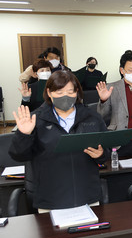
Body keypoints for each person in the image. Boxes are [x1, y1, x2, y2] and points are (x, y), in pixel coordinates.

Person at [9, 71, 107, 210]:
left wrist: (101, 154)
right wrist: (24, 134)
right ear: (49, 92)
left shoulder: (92, 117)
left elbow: (106, 152)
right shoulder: (35, 119)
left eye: (70, 92)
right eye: (59, 92)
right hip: (50, 199)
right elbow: (18, 155)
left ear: (77, 92)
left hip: (87, 196)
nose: (65, 96)